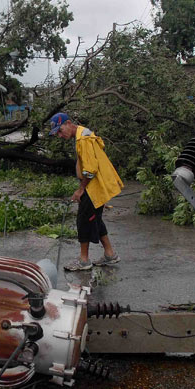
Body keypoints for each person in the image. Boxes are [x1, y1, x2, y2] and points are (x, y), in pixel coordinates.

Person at [49, 113, 124, 271]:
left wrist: (80, 190)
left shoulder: (83, 139)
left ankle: (84, 260)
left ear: (69, 123)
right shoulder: (82, 134)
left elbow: (91, 170)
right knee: (95, 219)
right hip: (97, 185)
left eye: (60, 131)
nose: (60, 135)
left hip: (94, 187)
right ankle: (110, 254)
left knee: (83, 221)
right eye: (57, 133)